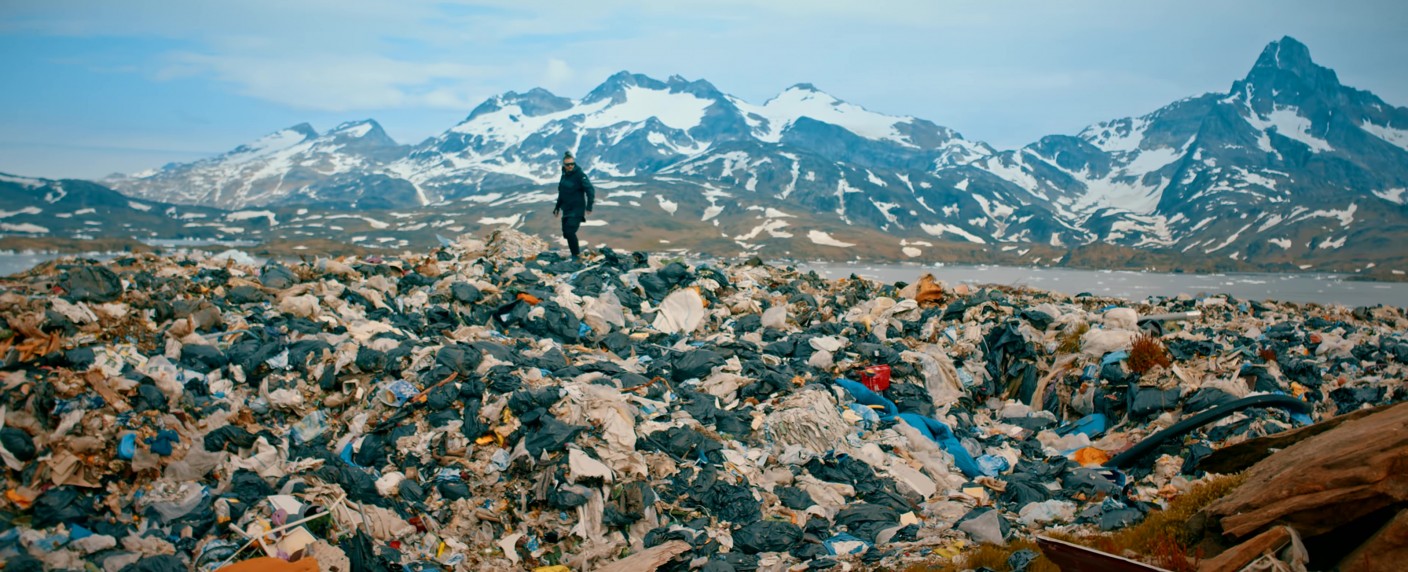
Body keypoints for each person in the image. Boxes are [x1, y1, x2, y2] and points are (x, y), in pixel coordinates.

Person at [552, 151, 594, 259]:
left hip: (577, 210)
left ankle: (576, 256)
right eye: (568, 165)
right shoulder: (564, 175)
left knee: (570, 232)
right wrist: (557, 207)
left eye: (572, 164)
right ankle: (574, 254)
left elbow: (590, 190)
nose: (570, 166)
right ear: (564, 165)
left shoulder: (580, 175)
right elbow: (562, 192)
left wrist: (589, 206)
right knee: (566, 233)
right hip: (566, 209)